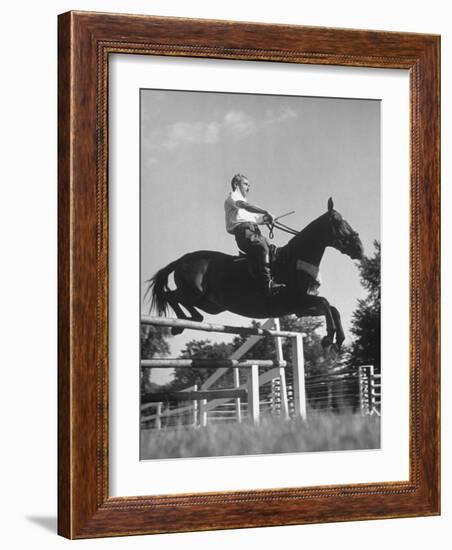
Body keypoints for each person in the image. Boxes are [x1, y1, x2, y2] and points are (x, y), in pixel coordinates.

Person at [224, 173, 285, 296]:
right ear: (236, 184)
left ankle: (274, 278)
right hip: (244, 233)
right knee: (262, 247)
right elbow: (245, 206)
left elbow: (257, 218)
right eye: (246, 184)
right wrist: (266, 211)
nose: (248, 188)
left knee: (271, 249)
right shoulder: (233, 197)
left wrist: (267, 218)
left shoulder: (243, 208)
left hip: (253, 231)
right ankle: (267, 284)